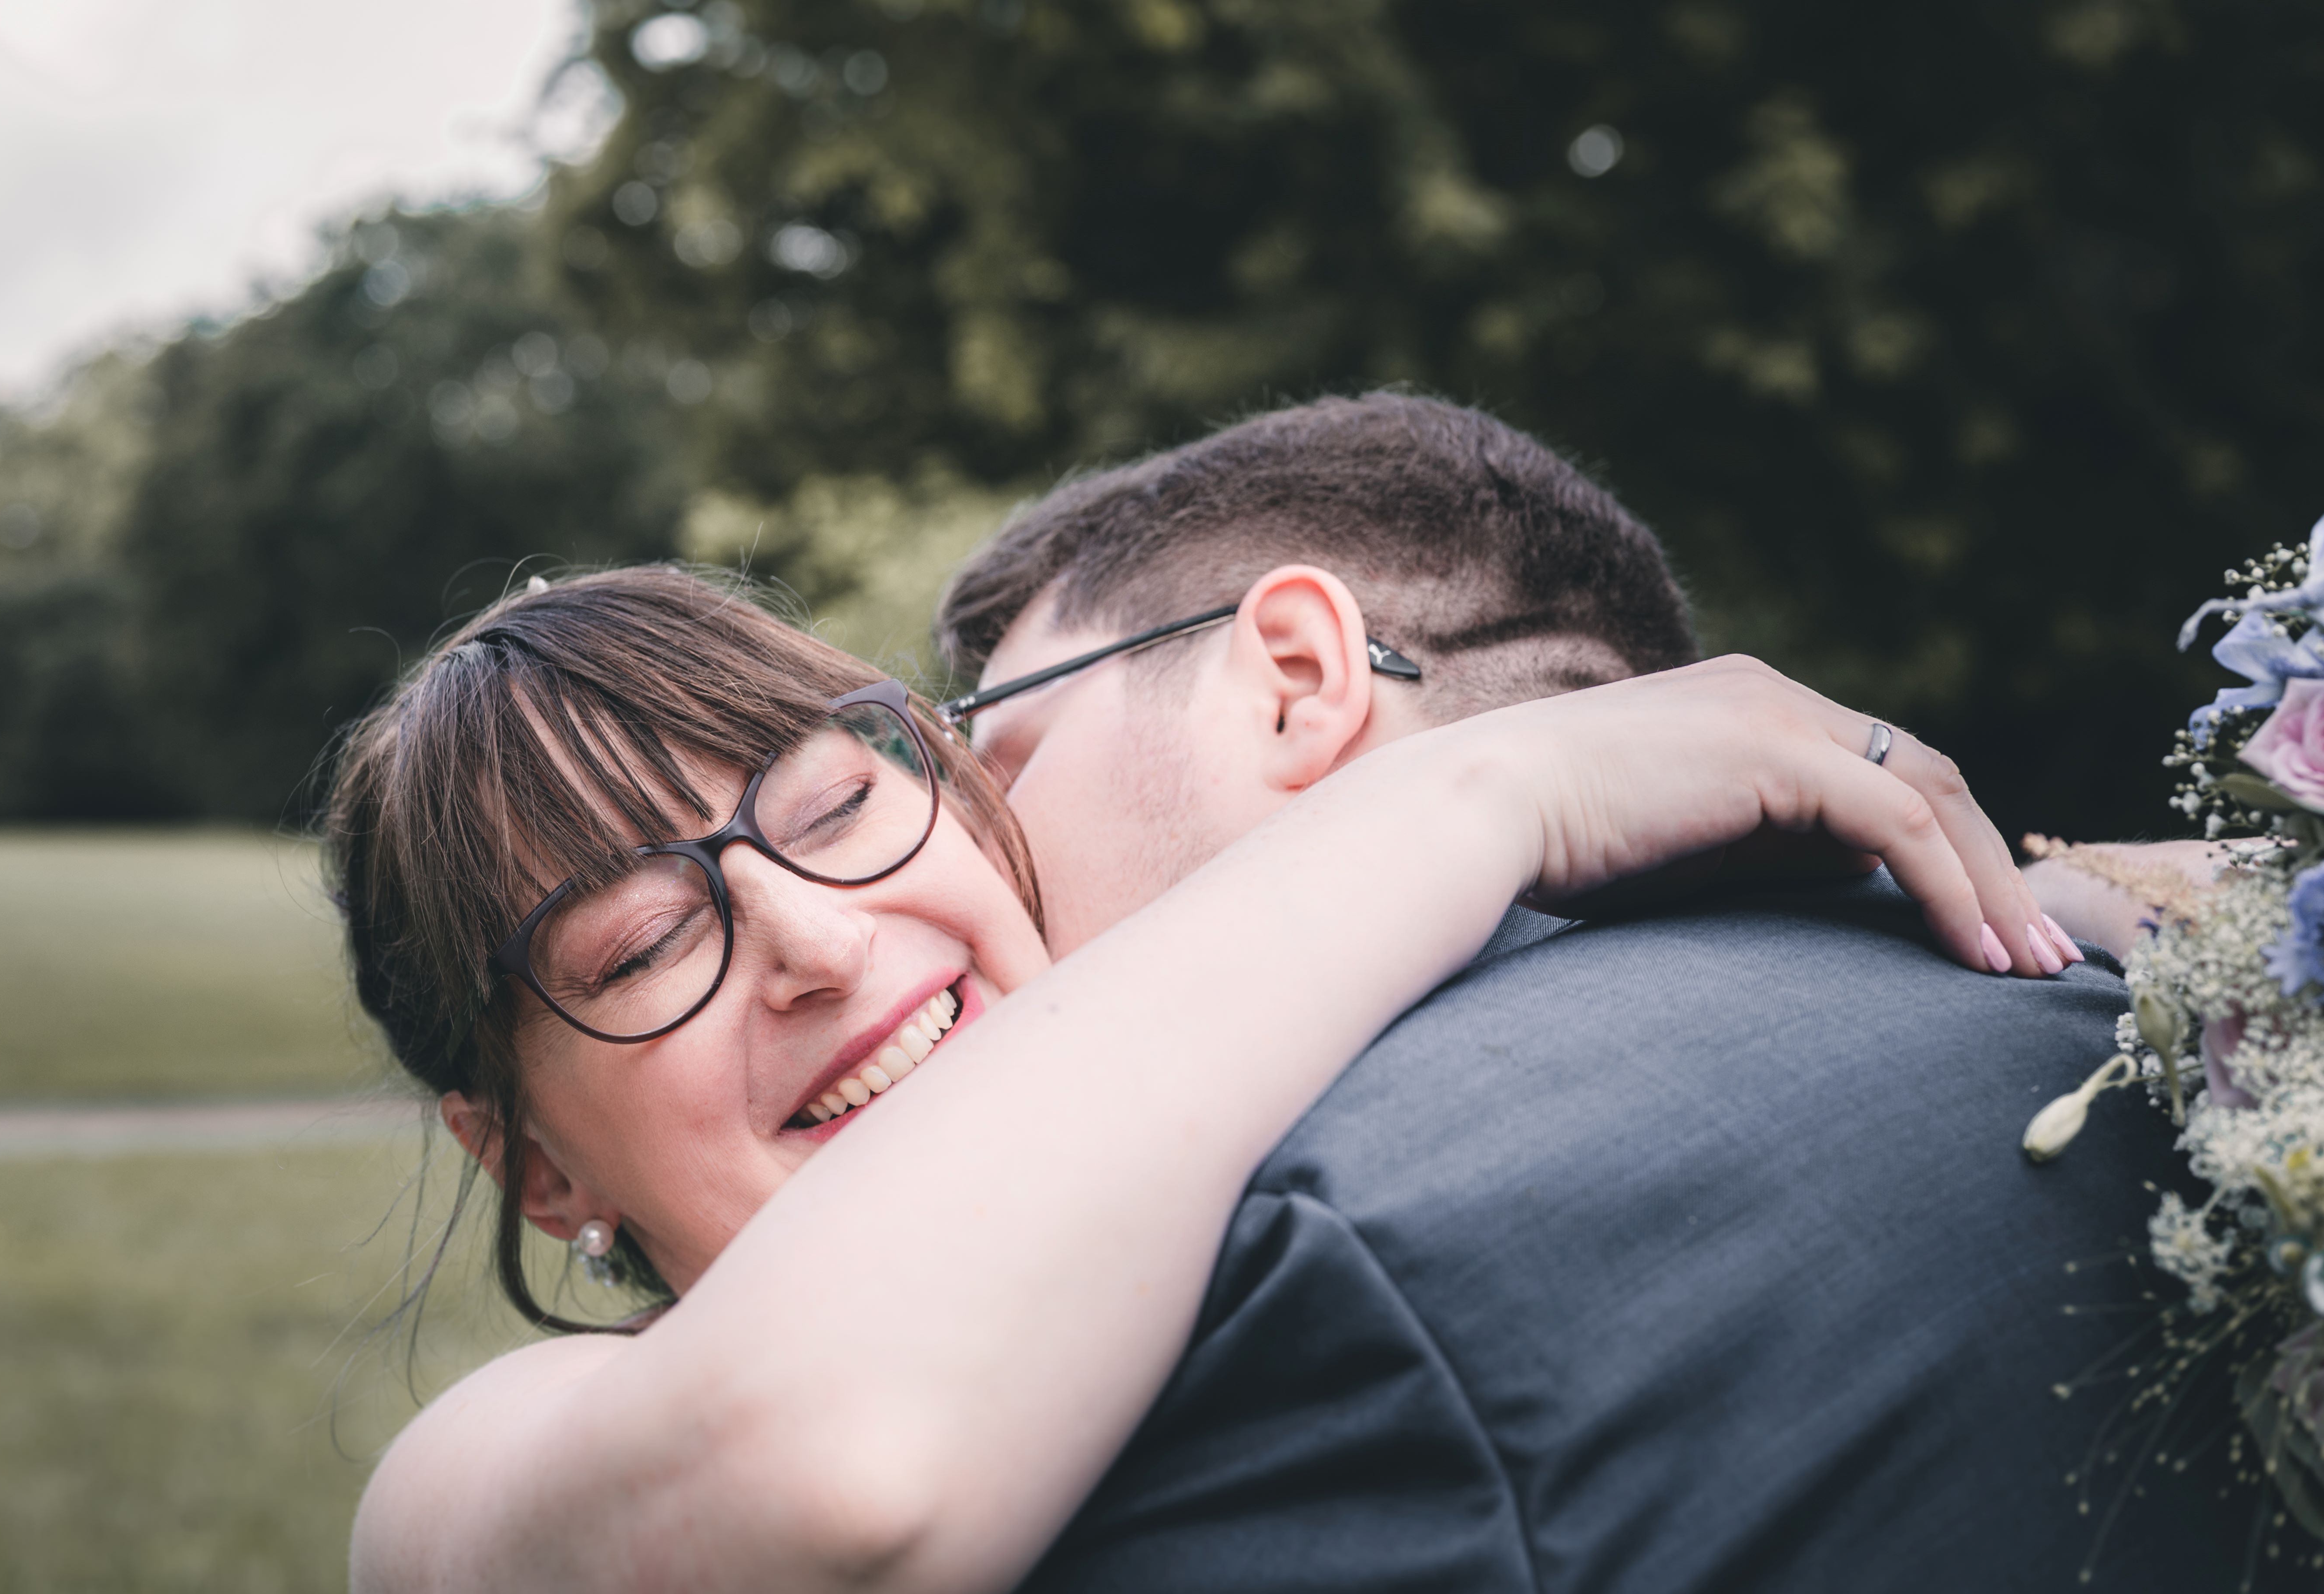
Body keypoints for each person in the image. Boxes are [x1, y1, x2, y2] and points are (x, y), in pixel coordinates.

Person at [336, 557, 2045, 1592]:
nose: (817, 942)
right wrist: (1480, 791)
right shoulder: (469, 1490)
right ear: (531, 1165)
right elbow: (837, 1464)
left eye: (838, 809)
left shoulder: (1294, 1126)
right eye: (638, 950)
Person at [931, 393, 2324, 1590]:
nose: (972, 859)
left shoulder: (1310, 1260)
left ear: (1297, 679)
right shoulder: (2174, 1000)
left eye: (1005, 765)